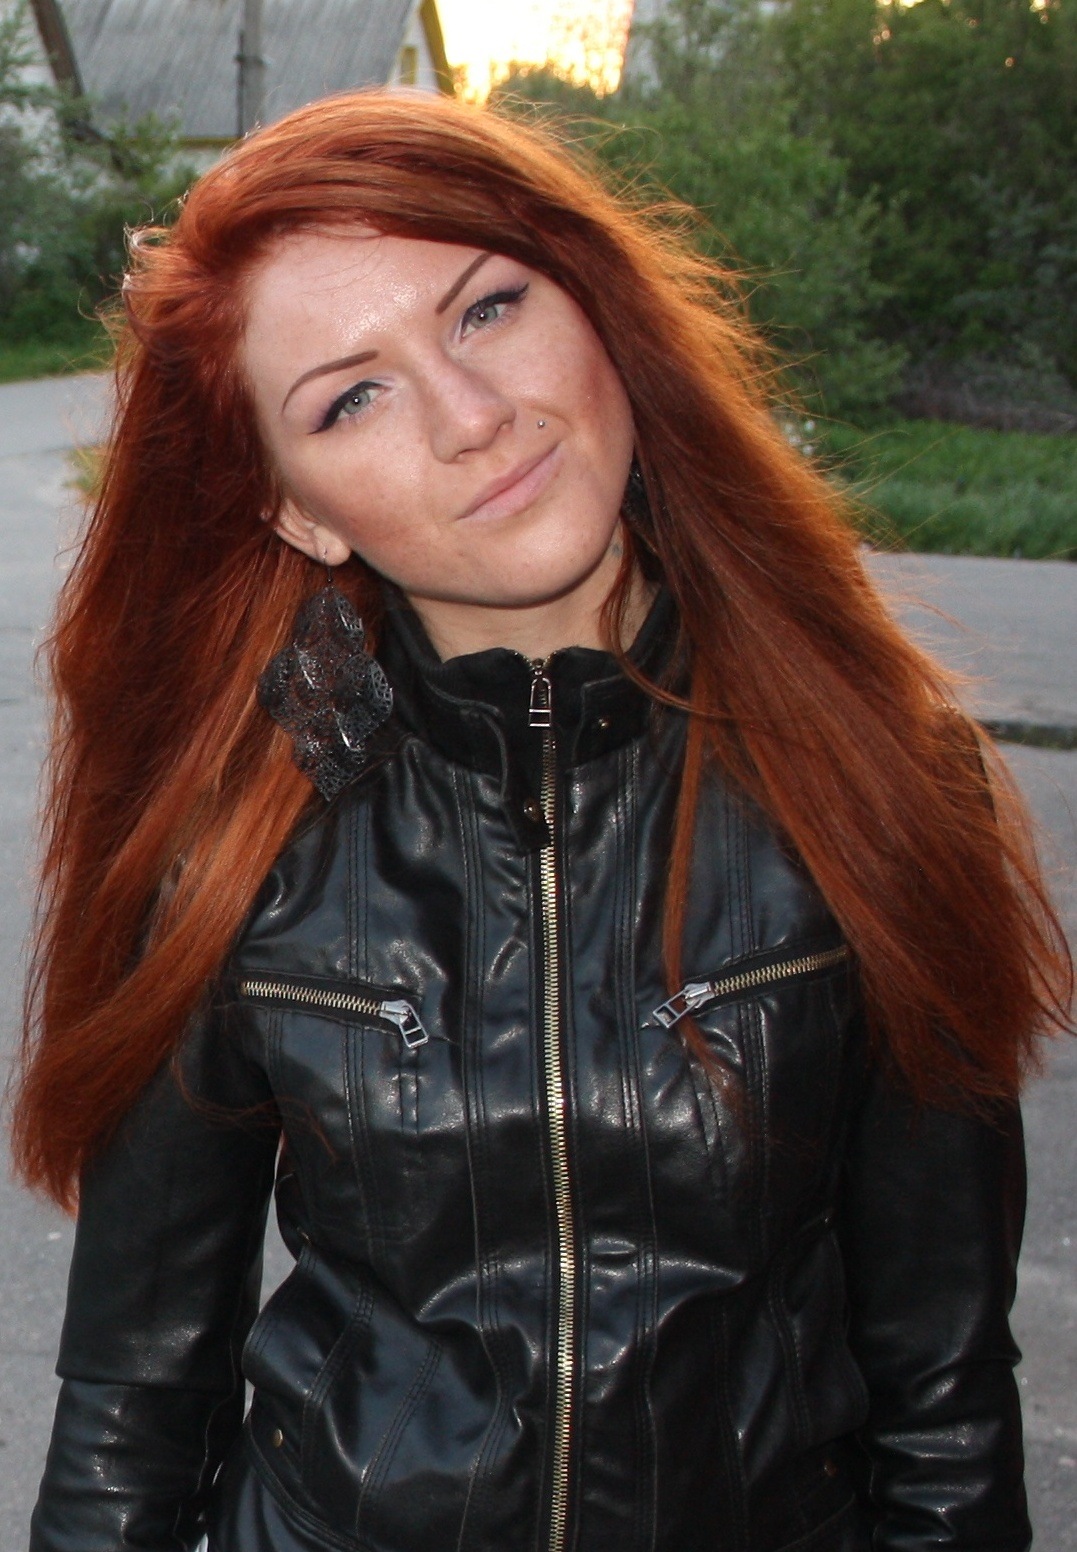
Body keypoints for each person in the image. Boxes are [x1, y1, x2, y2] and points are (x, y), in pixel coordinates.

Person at [12, 90, 1071, 1552]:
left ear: (595, 306)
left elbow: (943, 1394)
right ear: (298, 508)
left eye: (487, 308)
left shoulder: (880, 772)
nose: (472, 416)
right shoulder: (226, 843)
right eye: (349, 398)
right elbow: (132, 1411)